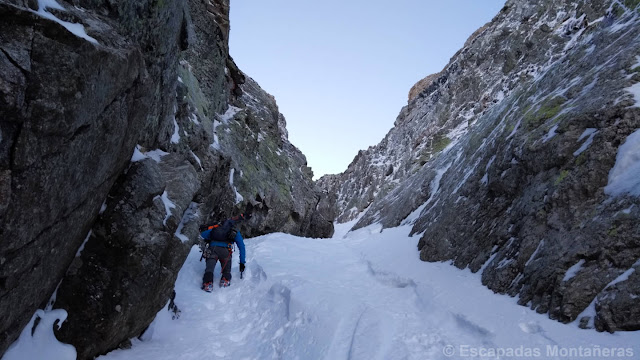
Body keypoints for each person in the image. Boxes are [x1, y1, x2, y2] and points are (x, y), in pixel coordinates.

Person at [199, 214, 248, 292]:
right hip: (226, 252)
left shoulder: (216, 227)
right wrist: (242, 263)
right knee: (226, 270)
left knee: (209, 269)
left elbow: (203, 234)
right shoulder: (235, 231)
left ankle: (208, 283)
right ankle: (225, 280)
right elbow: (241, 247)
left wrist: (210, 238)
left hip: (212, 249)